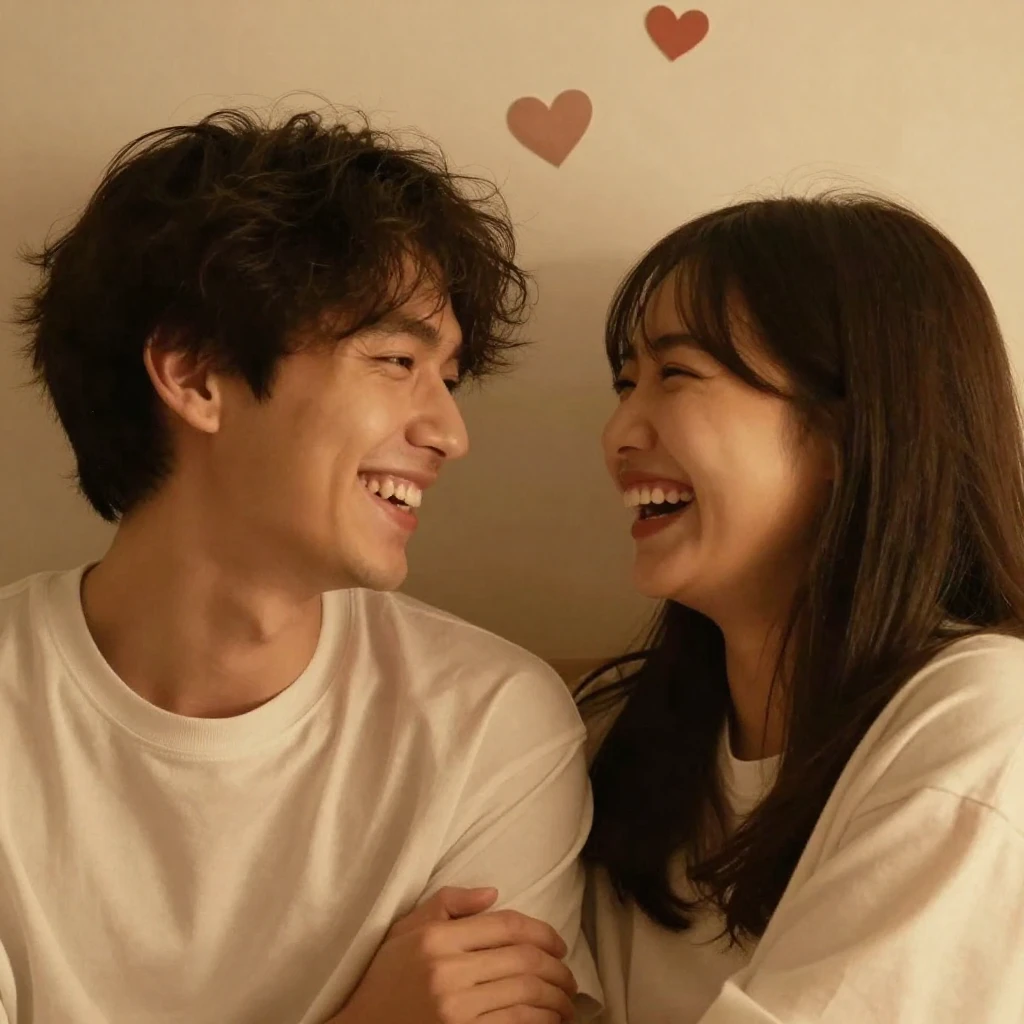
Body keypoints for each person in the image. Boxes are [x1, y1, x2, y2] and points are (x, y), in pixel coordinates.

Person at [1, 108, 600, 1024]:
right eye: (396, 359)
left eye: (448, 379)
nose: (449, 433)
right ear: (196, 375)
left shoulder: (487, 723)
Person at [580, 194, 1024, 1023]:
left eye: (676, 375)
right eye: (624, 383)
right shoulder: (617, 737)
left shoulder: (989, 720)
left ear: (845, 432)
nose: (617, 434)